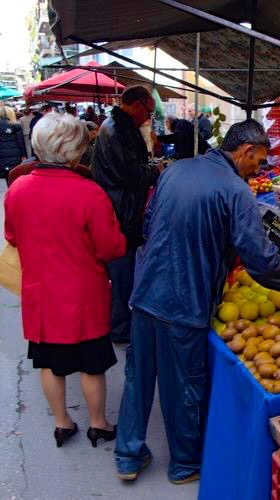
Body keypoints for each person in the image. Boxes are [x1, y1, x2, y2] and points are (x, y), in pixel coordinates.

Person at [114, 119, 280, 484]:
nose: (257, 169)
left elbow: (148, 224)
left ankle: (127, 456)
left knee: (138, 378)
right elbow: (258, 258)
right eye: (257, 162)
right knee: (183, 386)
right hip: (185, 300)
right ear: (245, 152)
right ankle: (183, 465)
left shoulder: (176, 170)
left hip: (146, 292)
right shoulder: (235, 190)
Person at [4, 113, 126, 448]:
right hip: (83, 293)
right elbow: (110, 247)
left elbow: (12, 235)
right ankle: (98, 423)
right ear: (75, 151)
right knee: (92, 364)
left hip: (41, 292)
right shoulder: (89, 193)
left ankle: (62, 422)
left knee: (50, 363)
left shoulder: (17, 189)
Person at [92, 85, 160, 343]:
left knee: (124, 270)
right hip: (120, 210)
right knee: (120, 271)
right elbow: (129, 174)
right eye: (148, 112)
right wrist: (155, 172)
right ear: (137, 104)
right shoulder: (116, 130)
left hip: (122, 208)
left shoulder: (119, 127)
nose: (148, 118)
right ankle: (120, 327)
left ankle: (121, 322)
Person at [0, 106, 26, 185]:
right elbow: (20, 141)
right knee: (14, 175)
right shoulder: (16, 125)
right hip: (15, 153)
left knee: (5, 174)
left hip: (2, 153)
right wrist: (24, 154)